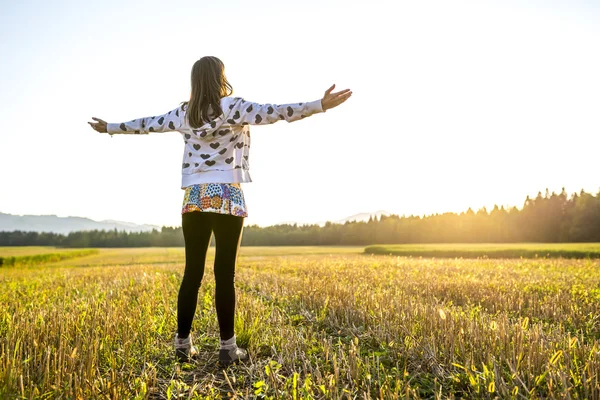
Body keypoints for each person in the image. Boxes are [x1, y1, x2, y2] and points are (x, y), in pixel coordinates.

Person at [88, 56, 352, 365]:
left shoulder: (184, 114)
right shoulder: (233, 107)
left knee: (192, 274)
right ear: (220, 77)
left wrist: (110, 127)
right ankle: (228, 349)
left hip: (196, 197)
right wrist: (318, 105)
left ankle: (183, 344)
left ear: (195, 81)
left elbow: (147, 124)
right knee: (224, 275)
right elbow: (277, 112)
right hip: (227, 194)